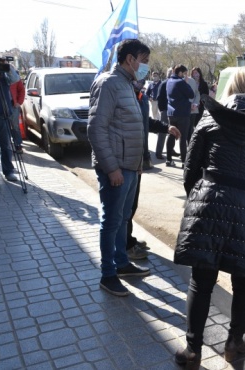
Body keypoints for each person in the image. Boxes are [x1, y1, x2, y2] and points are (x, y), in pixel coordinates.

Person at [173, 66, 245, 370]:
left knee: (201, 282)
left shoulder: (212, 117)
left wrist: (199, 198)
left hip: (211, 204)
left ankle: (192, 352)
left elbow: (190, 169)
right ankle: (234, 344)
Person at [87, 39, 152, 297]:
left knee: (123, 218)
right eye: (143, 61)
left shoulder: (126, 84)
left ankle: (121, 263)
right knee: (111, 221)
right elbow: (96, 129)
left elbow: (130, 125)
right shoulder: (109, 84)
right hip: (115, 169)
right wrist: (112, 168)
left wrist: (136, 166)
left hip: (129, 167)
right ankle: (108, 274)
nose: (145, 66)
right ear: (129, 59)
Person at [127, 78, 181, 260]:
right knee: (123, 208)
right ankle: (125, 247)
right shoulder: (122, 94)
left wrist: (166, 128)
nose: (142, 75)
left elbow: (145, 122)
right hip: (125, 160)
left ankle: (128, 239)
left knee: (131, 205)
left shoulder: (140, 96)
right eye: (141, 61)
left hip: (137, 160)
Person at [165, 64, 194, 167]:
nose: (186, 76)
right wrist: (186, 83)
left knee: (171, 135)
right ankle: (183, 161)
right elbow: (191, 94)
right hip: (183, 113)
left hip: (171, 113)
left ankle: (168, 159)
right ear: (180, 72)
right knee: (183, 137)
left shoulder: (169, 81)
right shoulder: (181, 82)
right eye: (185, 73)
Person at [0, 61, 20, 182]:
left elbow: (16, 79)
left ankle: (8, 171)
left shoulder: (4, 74)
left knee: (5, 145)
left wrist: (7, 65)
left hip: (3, 115)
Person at [154, 67, 172, 160]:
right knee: (162, 132)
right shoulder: (165, 83)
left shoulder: (167, 83)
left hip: (169, 110)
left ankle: (170, 150)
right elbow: (159, 97)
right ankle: (159, 152)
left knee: (170, 131)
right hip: (166, 110)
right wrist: (163, 110)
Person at [9, 75, 25, 154]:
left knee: (15, 126)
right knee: (4, 128)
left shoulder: (13, 75)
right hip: (0, 107)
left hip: (13, 106)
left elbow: (21, 89)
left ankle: (18, 144)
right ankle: (7, 146)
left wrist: (19, 102)